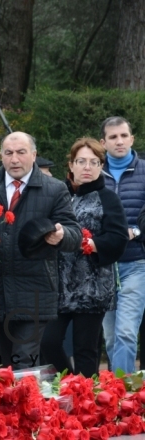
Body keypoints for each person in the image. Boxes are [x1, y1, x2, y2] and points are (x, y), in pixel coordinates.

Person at [0, 131, 81, 370]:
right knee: (6, 363)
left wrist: (60, 235)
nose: (15, 159)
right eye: (9, 153)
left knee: (24, 360)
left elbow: (74, 234)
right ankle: (13, 406)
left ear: (33, 155)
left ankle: (26, 405)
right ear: (1, 156)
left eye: (21, 152)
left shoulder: (54, 189)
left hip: (35, 290)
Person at [40, 138, 128, 377]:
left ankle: (86, 404)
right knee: (48, 343)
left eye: (94, 162)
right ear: (71, 165)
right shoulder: (58, 195)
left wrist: (91, 243)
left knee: (85, 351)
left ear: (101, 166)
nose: (87, 167)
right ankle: (71, 384)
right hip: (58, 285)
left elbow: (118, 238)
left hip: (93, 286)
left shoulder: (108, 198)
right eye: (81, 161)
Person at [99, 116, 145, 374]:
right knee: (111, 338)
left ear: (132, 139)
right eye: (113, 137)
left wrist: (137, 231)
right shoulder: (93, 173)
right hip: (103, 266)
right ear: (103, 142)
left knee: (127, 333)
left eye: (123, 136)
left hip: (136, 263)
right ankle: (117, 394)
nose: (119, 141)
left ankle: (122, 399)